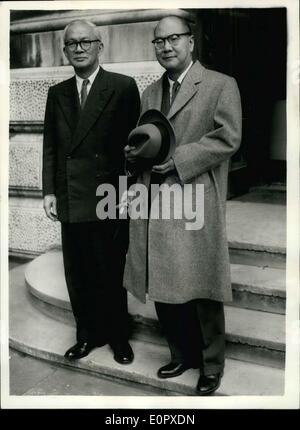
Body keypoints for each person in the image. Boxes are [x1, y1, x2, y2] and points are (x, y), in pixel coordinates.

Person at [124, 16, 242, 395]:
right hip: (155, 199)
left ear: (191, 42)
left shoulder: (220, 84)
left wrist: (179, 160)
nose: (166, 46)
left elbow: (228, 138)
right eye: (158, 41)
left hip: (195, 196)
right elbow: (145, 141)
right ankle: (181, 353)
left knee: (202, 285)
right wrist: (133, 158)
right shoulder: (149, 93)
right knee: (162, 279)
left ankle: (211, 364)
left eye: (174, 38)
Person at [42, 20, 140, 364]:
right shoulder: (57, 93)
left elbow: (135, 147)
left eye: (86, 42)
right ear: (64, 50)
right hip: (71, 194)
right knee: (78, 271)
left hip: (109, 195)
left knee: (110, 269)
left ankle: (118, 337)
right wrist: (48, 191)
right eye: (72, 44)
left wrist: (130, 190)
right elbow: (51, 146)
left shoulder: (123, 87)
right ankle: (86, 334)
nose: (79, 48)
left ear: (101, 46)